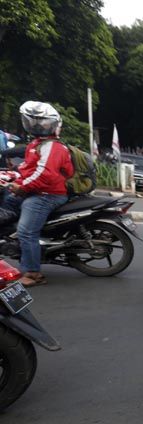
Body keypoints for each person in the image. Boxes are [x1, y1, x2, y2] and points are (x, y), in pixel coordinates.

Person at [0, 102, 72, 287]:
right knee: (7, 202)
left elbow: (45, 174)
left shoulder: (52, 147)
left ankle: (33, 274)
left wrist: (22, 186)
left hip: (47, 195)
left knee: (26, 231)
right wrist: (13, 177)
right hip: (36, 190)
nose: (37, 125)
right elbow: (27, 168)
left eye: (41, 122)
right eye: (34, 121)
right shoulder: (37, 144)